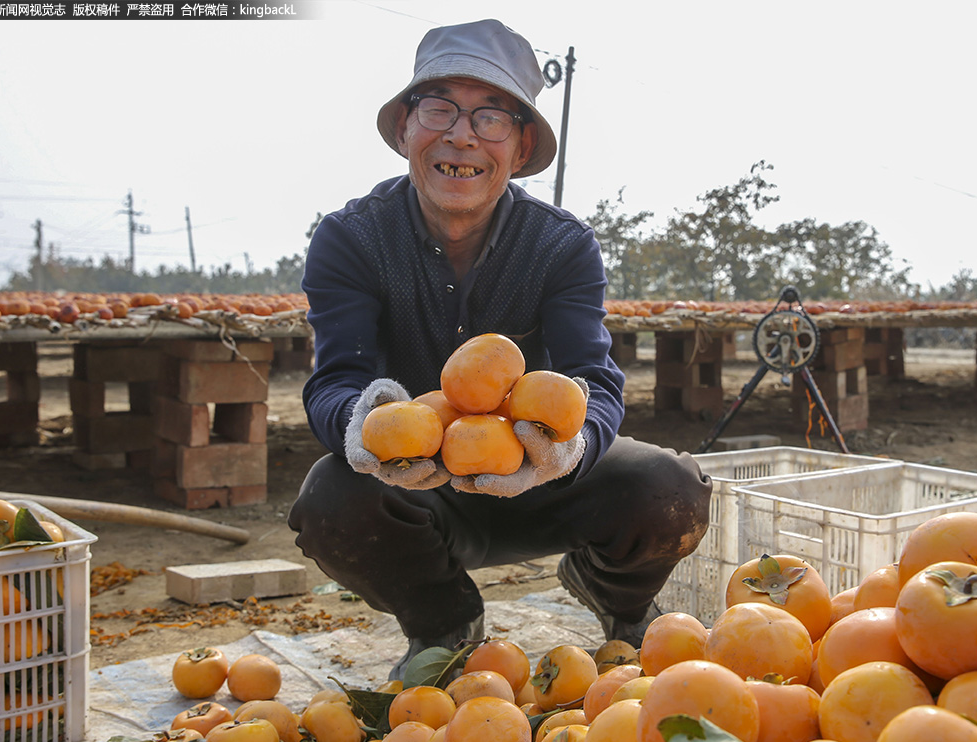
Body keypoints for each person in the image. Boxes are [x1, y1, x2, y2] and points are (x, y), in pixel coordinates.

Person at [288, 18, 712, 680]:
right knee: (330, 501)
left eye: (490, 117)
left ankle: (613, 593)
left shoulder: (561, 244)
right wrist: (366, 423)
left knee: (670, 488)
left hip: (539, 478)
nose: (461, 134)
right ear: (405, 129)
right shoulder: (352, 239)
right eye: (440, 109)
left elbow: (594, 382)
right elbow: (333, 380)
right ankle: (443, 621)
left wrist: (563, 449)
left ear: (518, 149)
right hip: (415, 489)